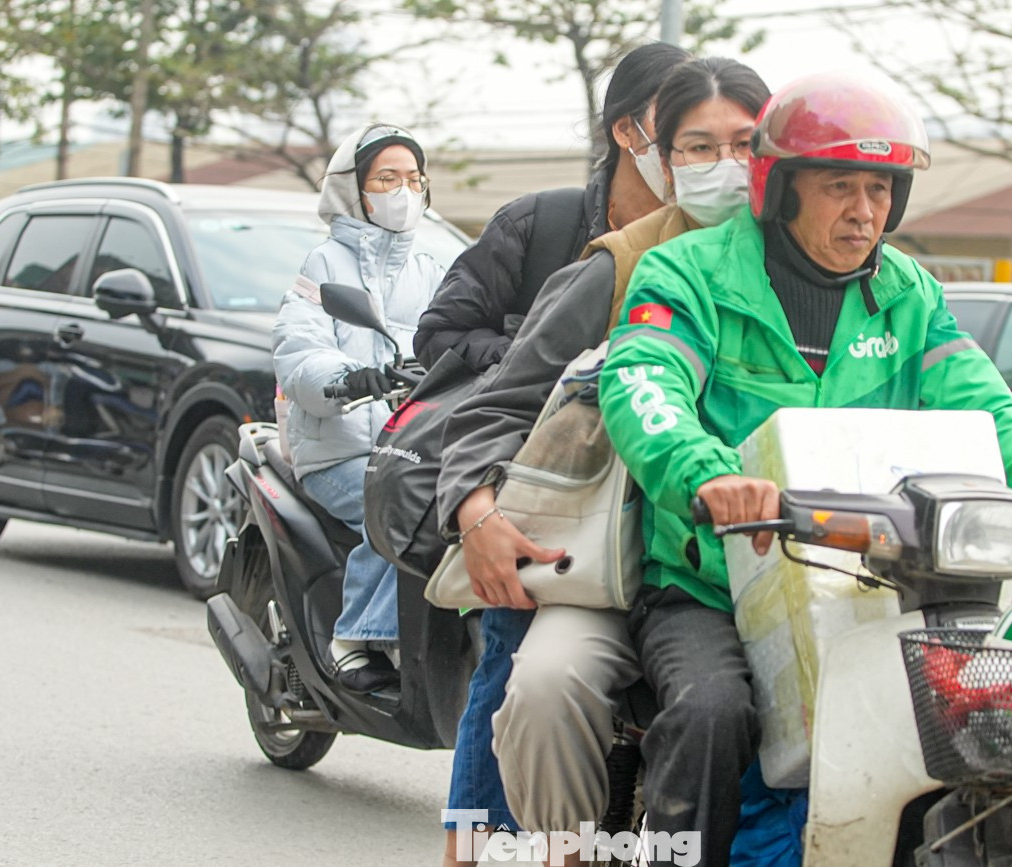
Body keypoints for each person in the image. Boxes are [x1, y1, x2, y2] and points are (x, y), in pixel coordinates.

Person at [596, 69, 1012, 867]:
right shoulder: (687, 273)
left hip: (875, 583)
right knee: (713, 711)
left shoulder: (908, 292)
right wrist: (705, 473)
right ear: (781, 189)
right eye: (839, 187)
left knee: (974, 715)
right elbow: (644, 384)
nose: (864, 211)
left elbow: (984, 409)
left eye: (880, 189)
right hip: (712, 581)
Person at [434, 57, 770, 842]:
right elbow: (497, 404)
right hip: (614, 561)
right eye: (699, 147)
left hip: (786, 565)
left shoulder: (839, 270)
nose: (726, 165)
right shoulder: (620, 262)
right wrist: (476, 513)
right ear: (656, 151)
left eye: (746, 144)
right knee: (530, 683)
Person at [272, 124, 443, 693]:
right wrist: (349, 377)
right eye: (387, 179)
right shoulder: (324, 263)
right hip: (338, 451)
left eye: (414, 179)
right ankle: (354, 638)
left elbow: (459, 337)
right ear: (355, 189)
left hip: (411, 443)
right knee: (397, 505)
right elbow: (297, 348)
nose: (404, 191)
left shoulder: (431, 268)